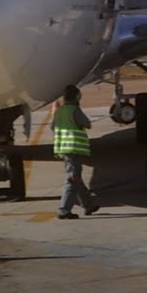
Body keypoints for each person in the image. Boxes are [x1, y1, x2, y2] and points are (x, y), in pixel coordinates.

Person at [51, 84, 99, 219]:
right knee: (72, 179)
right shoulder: (74, 110)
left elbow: (53, 127)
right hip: (74, 148)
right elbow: (87, 124)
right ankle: (63, 209)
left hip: (64, 148)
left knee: (76, 178)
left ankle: (88, 204)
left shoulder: (59, 111)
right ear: (77, 96)